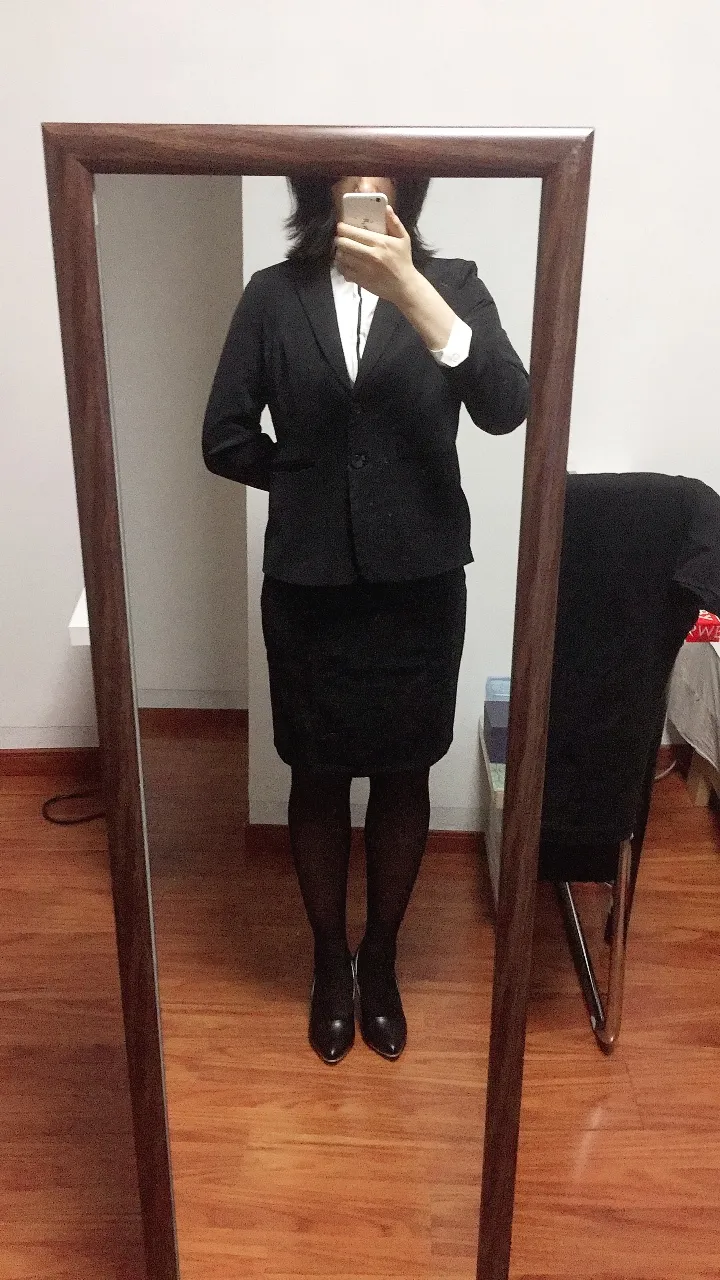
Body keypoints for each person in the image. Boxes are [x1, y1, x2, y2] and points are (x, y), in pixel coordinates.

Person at [202, 174, 529, 1064]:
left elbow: (506, 406)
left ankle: (378, 960)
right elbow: (223, 435)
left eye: (383, 184)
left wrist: (411, 290)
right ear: (320, 192)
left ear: (406, 196)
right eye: (349, 181)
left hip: (419, 581)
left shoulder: (451, 284)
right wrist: (309, 482)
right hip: (308, 583)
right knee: (315, 774)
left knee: (402, 772)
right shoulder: (274, 296)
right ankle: (329, 964)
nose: (366, 196)